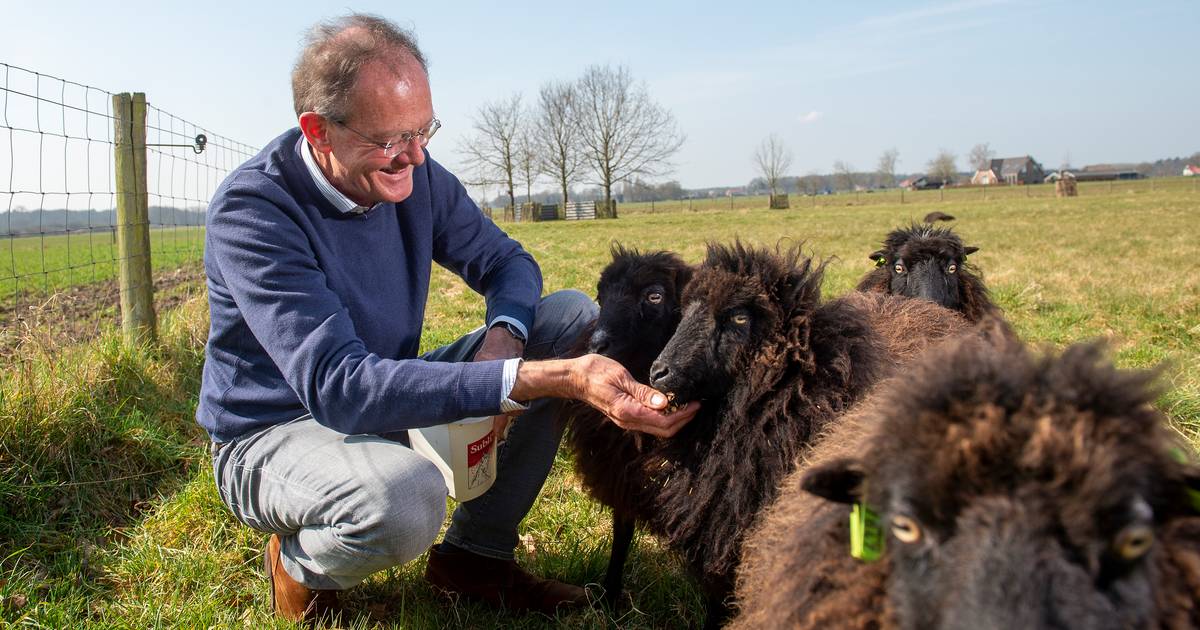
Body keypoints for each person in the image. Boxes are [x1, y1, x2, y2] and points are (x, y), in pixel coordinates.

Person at [197, 12, 698, 624]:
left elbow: (508, 262)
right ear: (319, 131)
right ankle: (300, 563)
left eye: (423, 130)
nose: (414, 155)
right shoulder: (256, 213)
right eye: (390, 140)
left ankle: (475, 558)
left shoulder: (416, 174)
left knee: (567, 317)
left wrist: (505, 337)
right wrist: (535, 379)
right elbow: (339, 386)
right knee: (404, 499)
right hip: (278, 428)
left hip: (381, 389)